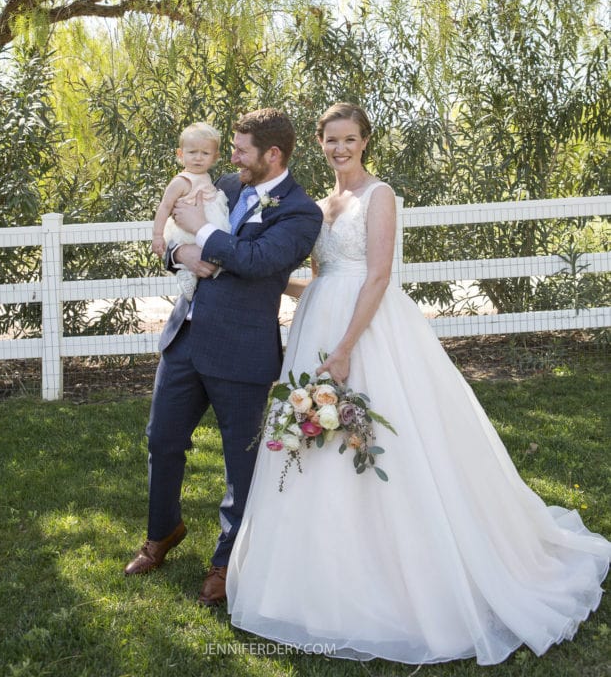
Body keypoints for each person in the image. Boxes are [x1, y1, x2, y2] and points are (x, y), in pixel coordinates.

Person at [227, 102, 611, 665]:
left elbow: (378, 274)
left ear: (365, 142)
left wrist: (346, 347)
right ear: (319, 142)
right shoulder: (319, 203)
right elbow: (321, 276)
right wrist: (271, 284)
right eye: (331, 140)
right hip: (319, 321)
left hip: (367, 329)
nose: (340, 149)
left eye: (350, 139)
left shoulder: (379, 197)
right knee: (316, 444)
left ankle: (407, 573)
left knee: (388, 439)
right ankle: (316, 576)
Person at [124, 108, 323, 607]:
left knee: (242, 463)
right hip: (185, 338)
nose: (229, 157)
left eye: (240, 150)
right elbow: (176, 234)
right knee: (162, 440)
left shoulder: (300, 212)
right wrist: (180, 252)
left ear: (271, 154)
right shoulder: (224, 187)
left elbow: (257, 262)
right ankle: (162, 532)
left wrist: (203, 233)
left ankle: (225, 561)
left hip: (242, 350)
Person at [151, 122, 230, 300]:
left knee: (211, 255)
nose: (198, 158)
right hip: (188, 229)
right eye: (192, 152)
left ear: (215, 157)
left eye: (205, 153)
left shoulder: (207, 176)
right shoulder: (181, 181)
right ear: (181, 154)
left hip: (208, 223)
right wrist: (157, 235)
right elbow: (165, 206)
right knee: (195, 253)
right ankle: (185, 275)